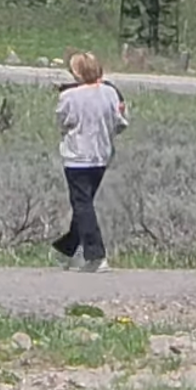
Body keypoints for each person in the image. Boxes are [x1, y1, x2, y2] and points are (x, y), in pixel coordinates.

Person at [51, 51, 128, 273]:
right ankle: (70, 250)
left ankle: (96, 255)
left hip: (77, 158)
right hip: (102, 156)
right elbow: (120, 122)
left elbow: (63, 121)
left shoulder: (69, 97)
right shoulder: (110, 93)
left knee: (82, 204)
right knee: (84, 204)